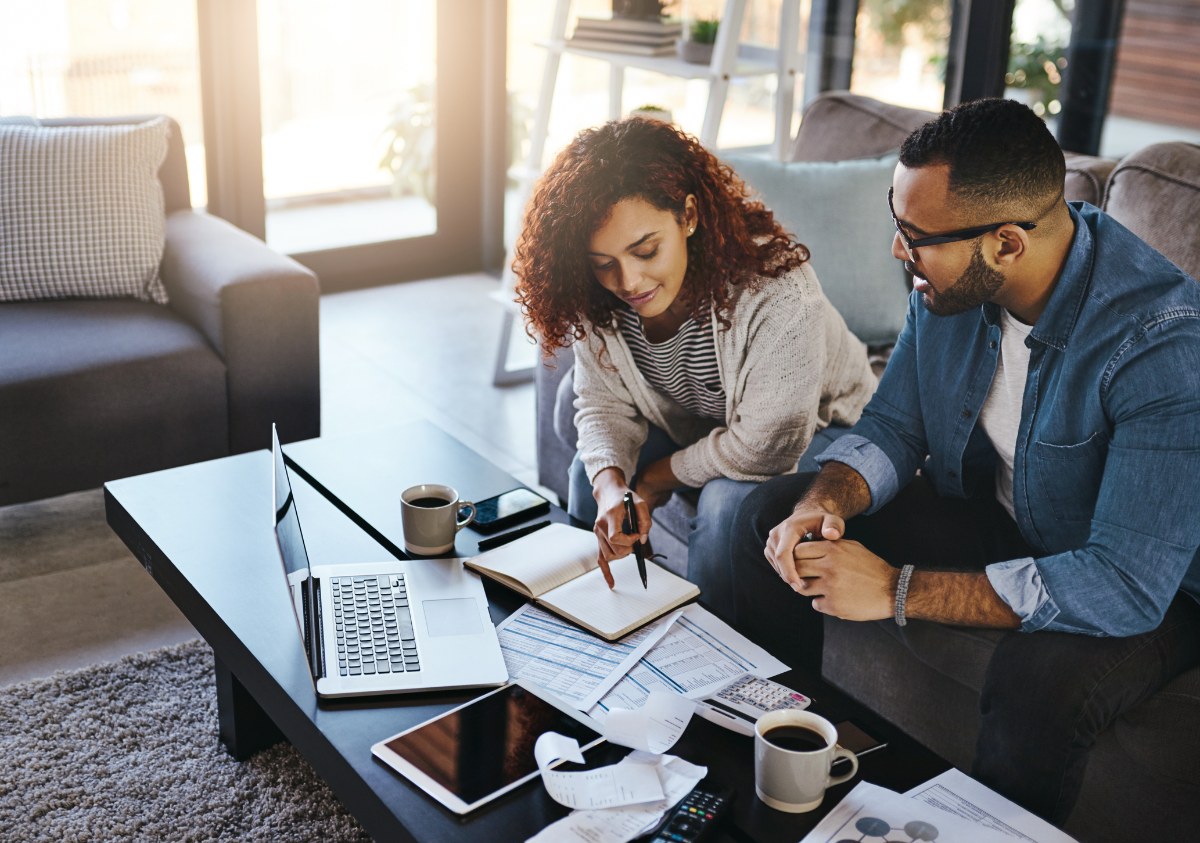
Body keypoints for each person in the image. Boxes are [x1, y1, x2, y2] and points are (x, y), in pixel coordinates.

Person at [730, 97, 1200, 824]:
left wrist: (894, 587)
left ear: (1007, 242)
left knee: (1036, 681)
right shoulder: (950, 284)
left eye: (914, 235)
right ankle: (783, 778)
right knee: (768, 513)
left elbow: (1123, 582)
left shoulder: (1162, 344)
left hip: (1153, 583)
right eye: (897, 222)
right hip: (1006, 518)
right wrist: (824, 503)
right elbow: (893, 425)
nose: (896, 250)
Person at [513, 117, 876, 618]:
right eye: (604, 262)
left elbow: (763, 446)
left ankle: (722, 671)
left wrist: (656, 479)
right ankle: (595, 626)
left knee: (728, 507)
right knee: (587, 475)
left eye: (646, 250)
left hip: (824, 427)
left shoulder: (779, 292)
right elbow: (599, 402)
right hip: (704, 421)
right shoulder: (599, 293)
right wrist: (613, 486)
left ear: (687, 215)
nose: (629, 280)